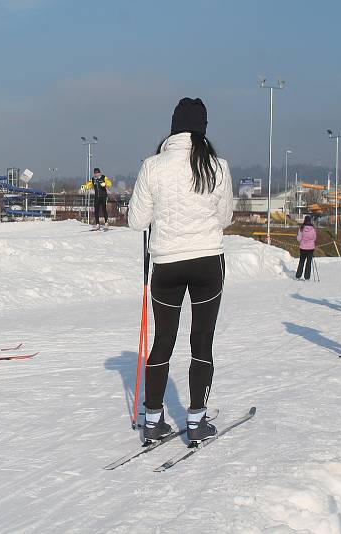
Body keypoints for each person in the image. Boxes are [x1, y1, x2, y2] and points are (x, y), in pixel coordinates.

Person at [128, 97, 233, 445]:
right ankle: (196, 421)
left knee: (163, 340)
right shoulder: (217, 167)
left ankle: (154, 420)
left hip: (167, 264)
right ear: (203, 127)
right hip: (207, 263)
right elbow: (225, 218)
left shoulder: (152, 166)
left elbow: (136, 221)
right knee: (202, 342)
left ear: (173, 127)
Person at [295, 215, 316, 280]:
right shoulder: (313, 229)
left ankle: (298, 275)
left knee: (301, 261)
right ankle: (307, 277)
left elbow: (299, 238)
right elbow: (314, 238)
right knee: (308, 262)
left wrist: (298, 237)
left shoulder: (301, 228)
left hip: (303, 247)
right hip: (311, 248)